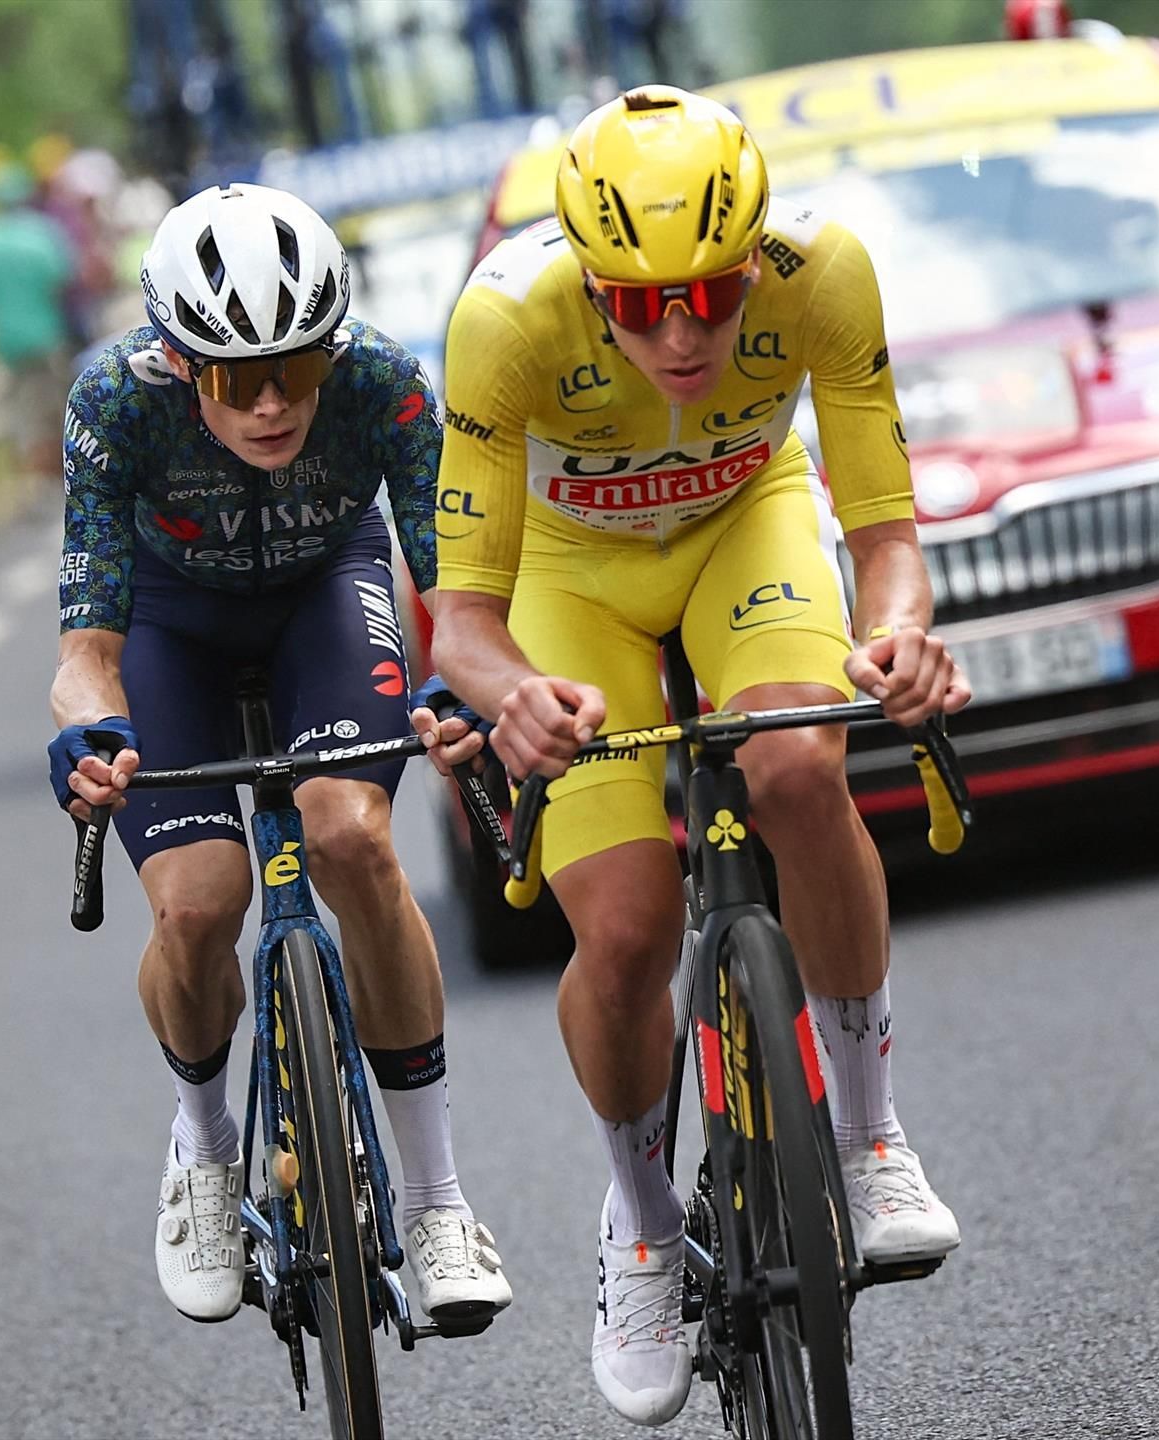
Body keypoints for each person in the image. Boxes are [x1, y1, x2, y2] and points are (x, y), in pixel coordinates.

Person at [426, 87, 970, 1426]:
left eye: (713, 297)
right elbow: (462, 624)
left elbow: (886, 535)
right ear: (590, 282)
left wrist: (898, 638)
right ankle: (643, 1221)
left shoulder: (823, 273)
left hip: (747, 526)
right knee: (620, 931)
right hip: (573, 580)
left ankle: (872, 1134)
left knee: (797, 766)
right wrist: (515, 700)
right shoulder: (505, 321)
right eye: (638, 304)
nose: (681, 333)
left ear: (755, 258)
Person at [44, 184, 512, 1329]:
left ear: (333, 347)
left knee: (352, 836)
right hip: (171, 624)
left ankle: (440, 1202)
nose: (267, 404)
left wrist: (461, 686)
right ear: (174, 359)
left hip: (325, 593)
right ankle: (202, 1155)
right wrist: (91, 735)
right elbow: (87, 649)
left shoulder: (384, 384)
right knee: (200, 904)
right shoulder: (115, 397)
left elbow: (455, 596)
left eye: (293, 372)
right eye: (230, 379)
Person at [0, 164, 75, 483]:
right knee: (55, 410)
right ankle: (58, 484)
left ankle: (33, 482)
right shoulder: (43, 232)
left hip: (4, 340)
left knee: (21, 416)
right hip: (45, 333)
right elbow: (62, 281)